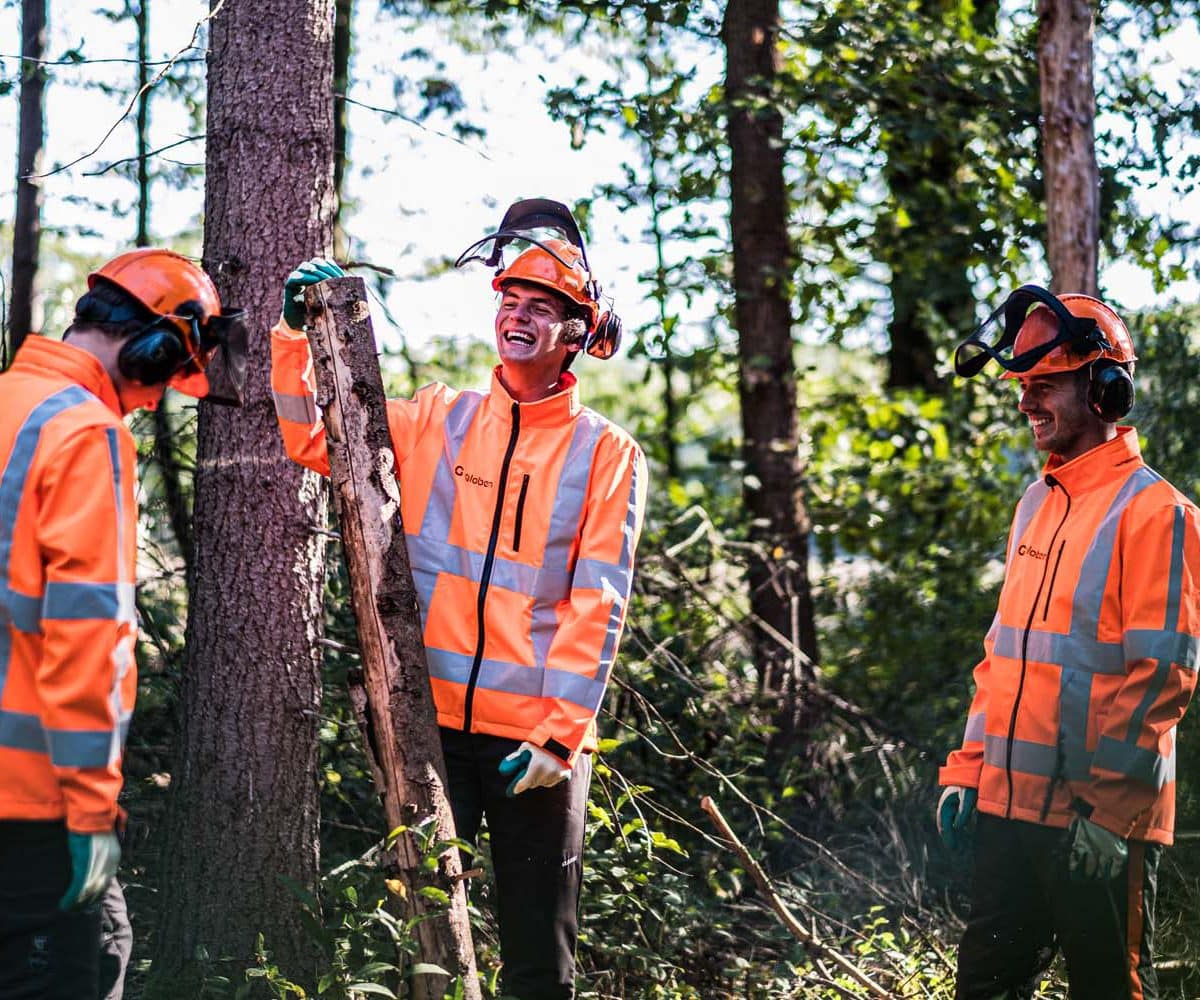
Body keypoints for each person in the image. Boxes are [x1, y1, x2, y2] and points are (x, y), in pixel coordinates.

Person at [270, 200, 647, 1000]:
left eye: (541, 309)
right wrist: (296, 341)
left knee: (538, 964)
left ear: (575, 334)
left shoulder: (606, 453)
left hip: (532, 750)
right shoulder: (441, 418)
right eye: (511, 302)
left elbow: (597, 602)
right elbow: (316, 440)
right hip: (429, 730)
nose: (519, 317)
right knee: (426, 948)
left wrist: (559, 737)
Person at [939, 285, 1200, 1000]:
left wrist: (1110, 816)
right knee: (986, 985)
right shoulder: (1036, 505)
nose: (1027, 404)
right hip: (1007, 809)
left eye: (1046, 385)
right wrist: (967, 769)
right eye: (1024, 387)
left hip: (1096, 828)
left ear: (1105, 389)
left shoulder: (1159, 513)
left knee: (1107, 988)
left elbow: (1162, 677)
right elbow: (1004, 658)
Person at [0, 248, 244, 1000]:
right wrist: (92, 811)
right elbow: (84, 640)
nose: (152, 399)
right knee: (86, 965)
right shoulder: (85, 431)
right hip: (32, 797)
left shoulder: (11, 402)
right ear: (154, 346)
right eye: (168, 376)